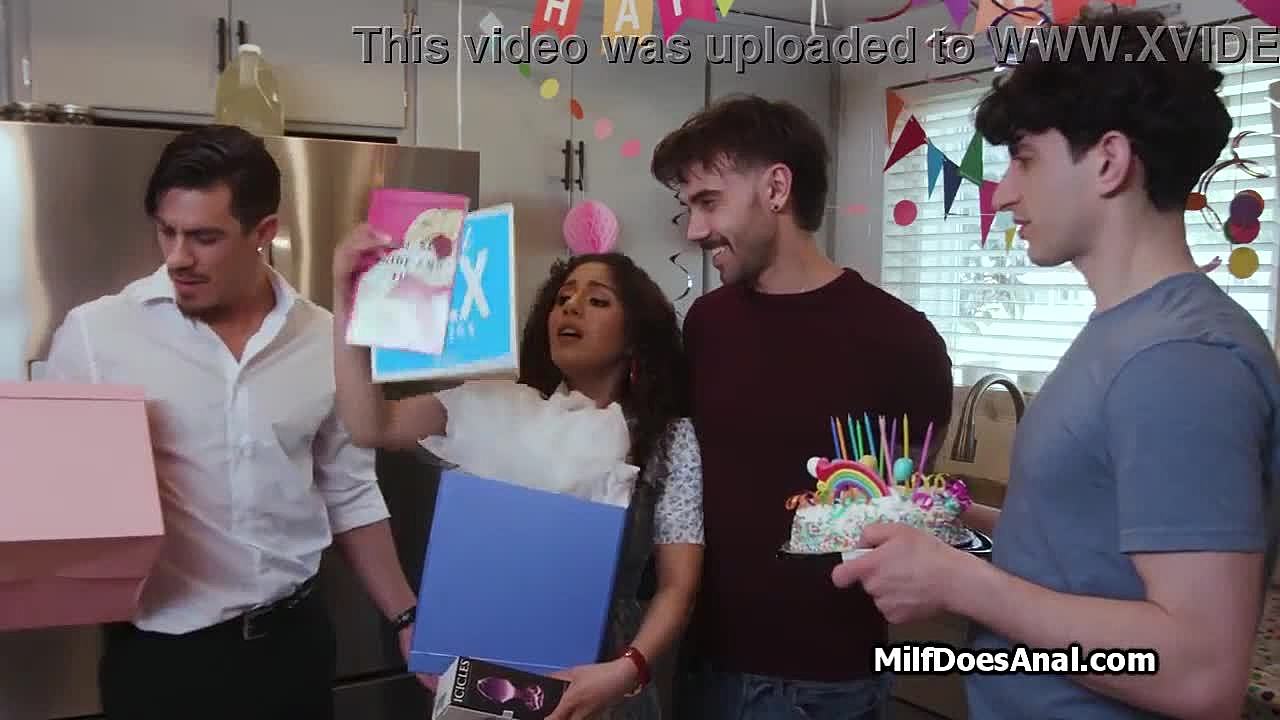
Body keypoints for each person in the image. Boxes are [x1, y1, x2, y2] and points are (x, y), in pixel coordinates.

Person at [832, 7, 1280, 719]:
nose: (1004, 191)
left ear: (1108, 161)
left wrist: (959, 584)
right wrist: (954, 517)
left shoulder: (1179, 362)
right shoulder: (1126, 331)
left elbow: (1200, 671)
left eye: (1025, 158)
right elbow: (1089, 547)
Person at [41, 125, 422, 720]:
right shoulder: (97, 335)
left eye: (204, 237)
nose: (177, 257)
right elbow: (48, 496)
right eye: (166, 231)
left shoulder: (324, 339)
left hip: (293, 648)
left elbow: (349, 491)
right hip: (160, 661)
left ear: (263, 233)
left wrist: (406, 616)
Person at [649, 94, 954, 719]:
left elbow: (904, 516)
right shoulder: (707, 324)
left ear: (776, 188)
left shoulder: (902, 341)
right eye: (689, 207)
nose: (695, 230)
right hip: (703, 663)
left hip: (827, 683)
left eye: (709, 202)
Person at [331, 236, 705, 720]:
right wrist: (350, 307)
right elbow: (370, 425)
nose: (571, 306)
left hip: (605, 675)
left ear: (635, 336)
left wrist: (627, 669)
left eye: (597, 301)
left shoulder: (667, 439)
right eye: (563, 296)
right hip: (493, 667)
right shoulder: (496, 409)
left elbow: (678, 586)